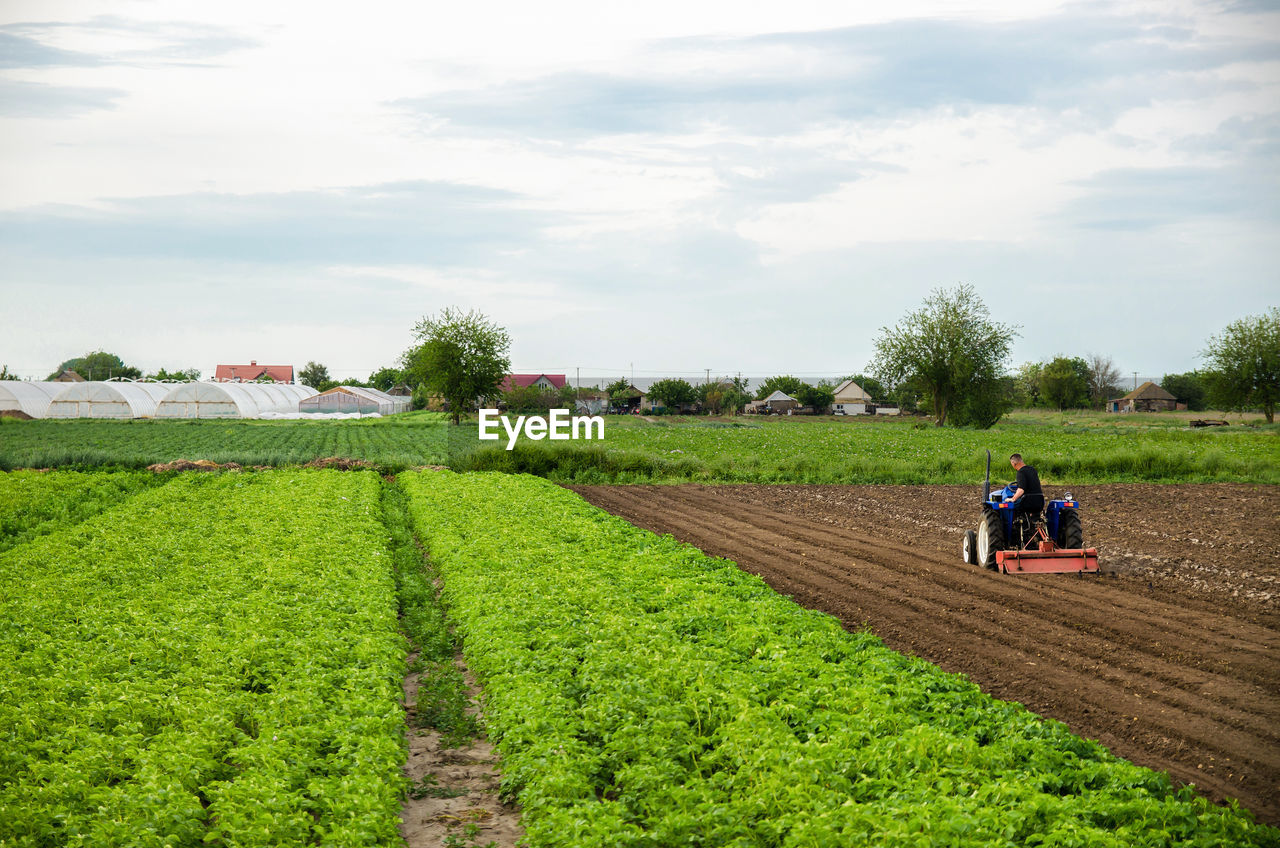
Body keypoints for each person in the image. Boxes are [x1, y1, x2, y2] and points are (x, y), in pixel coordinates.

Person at [1008, 454, 1045, 538]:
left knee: (1014, 508)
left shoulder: (1020, 472)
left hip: (1028, 503)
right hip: (1039, 501)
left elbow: (1021, 489)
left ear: (1014, 463)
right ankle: (1037, 533)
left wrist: (1012, 499)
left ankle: (1018, 533)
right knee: (1036, 518)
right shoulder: (1032, 470)